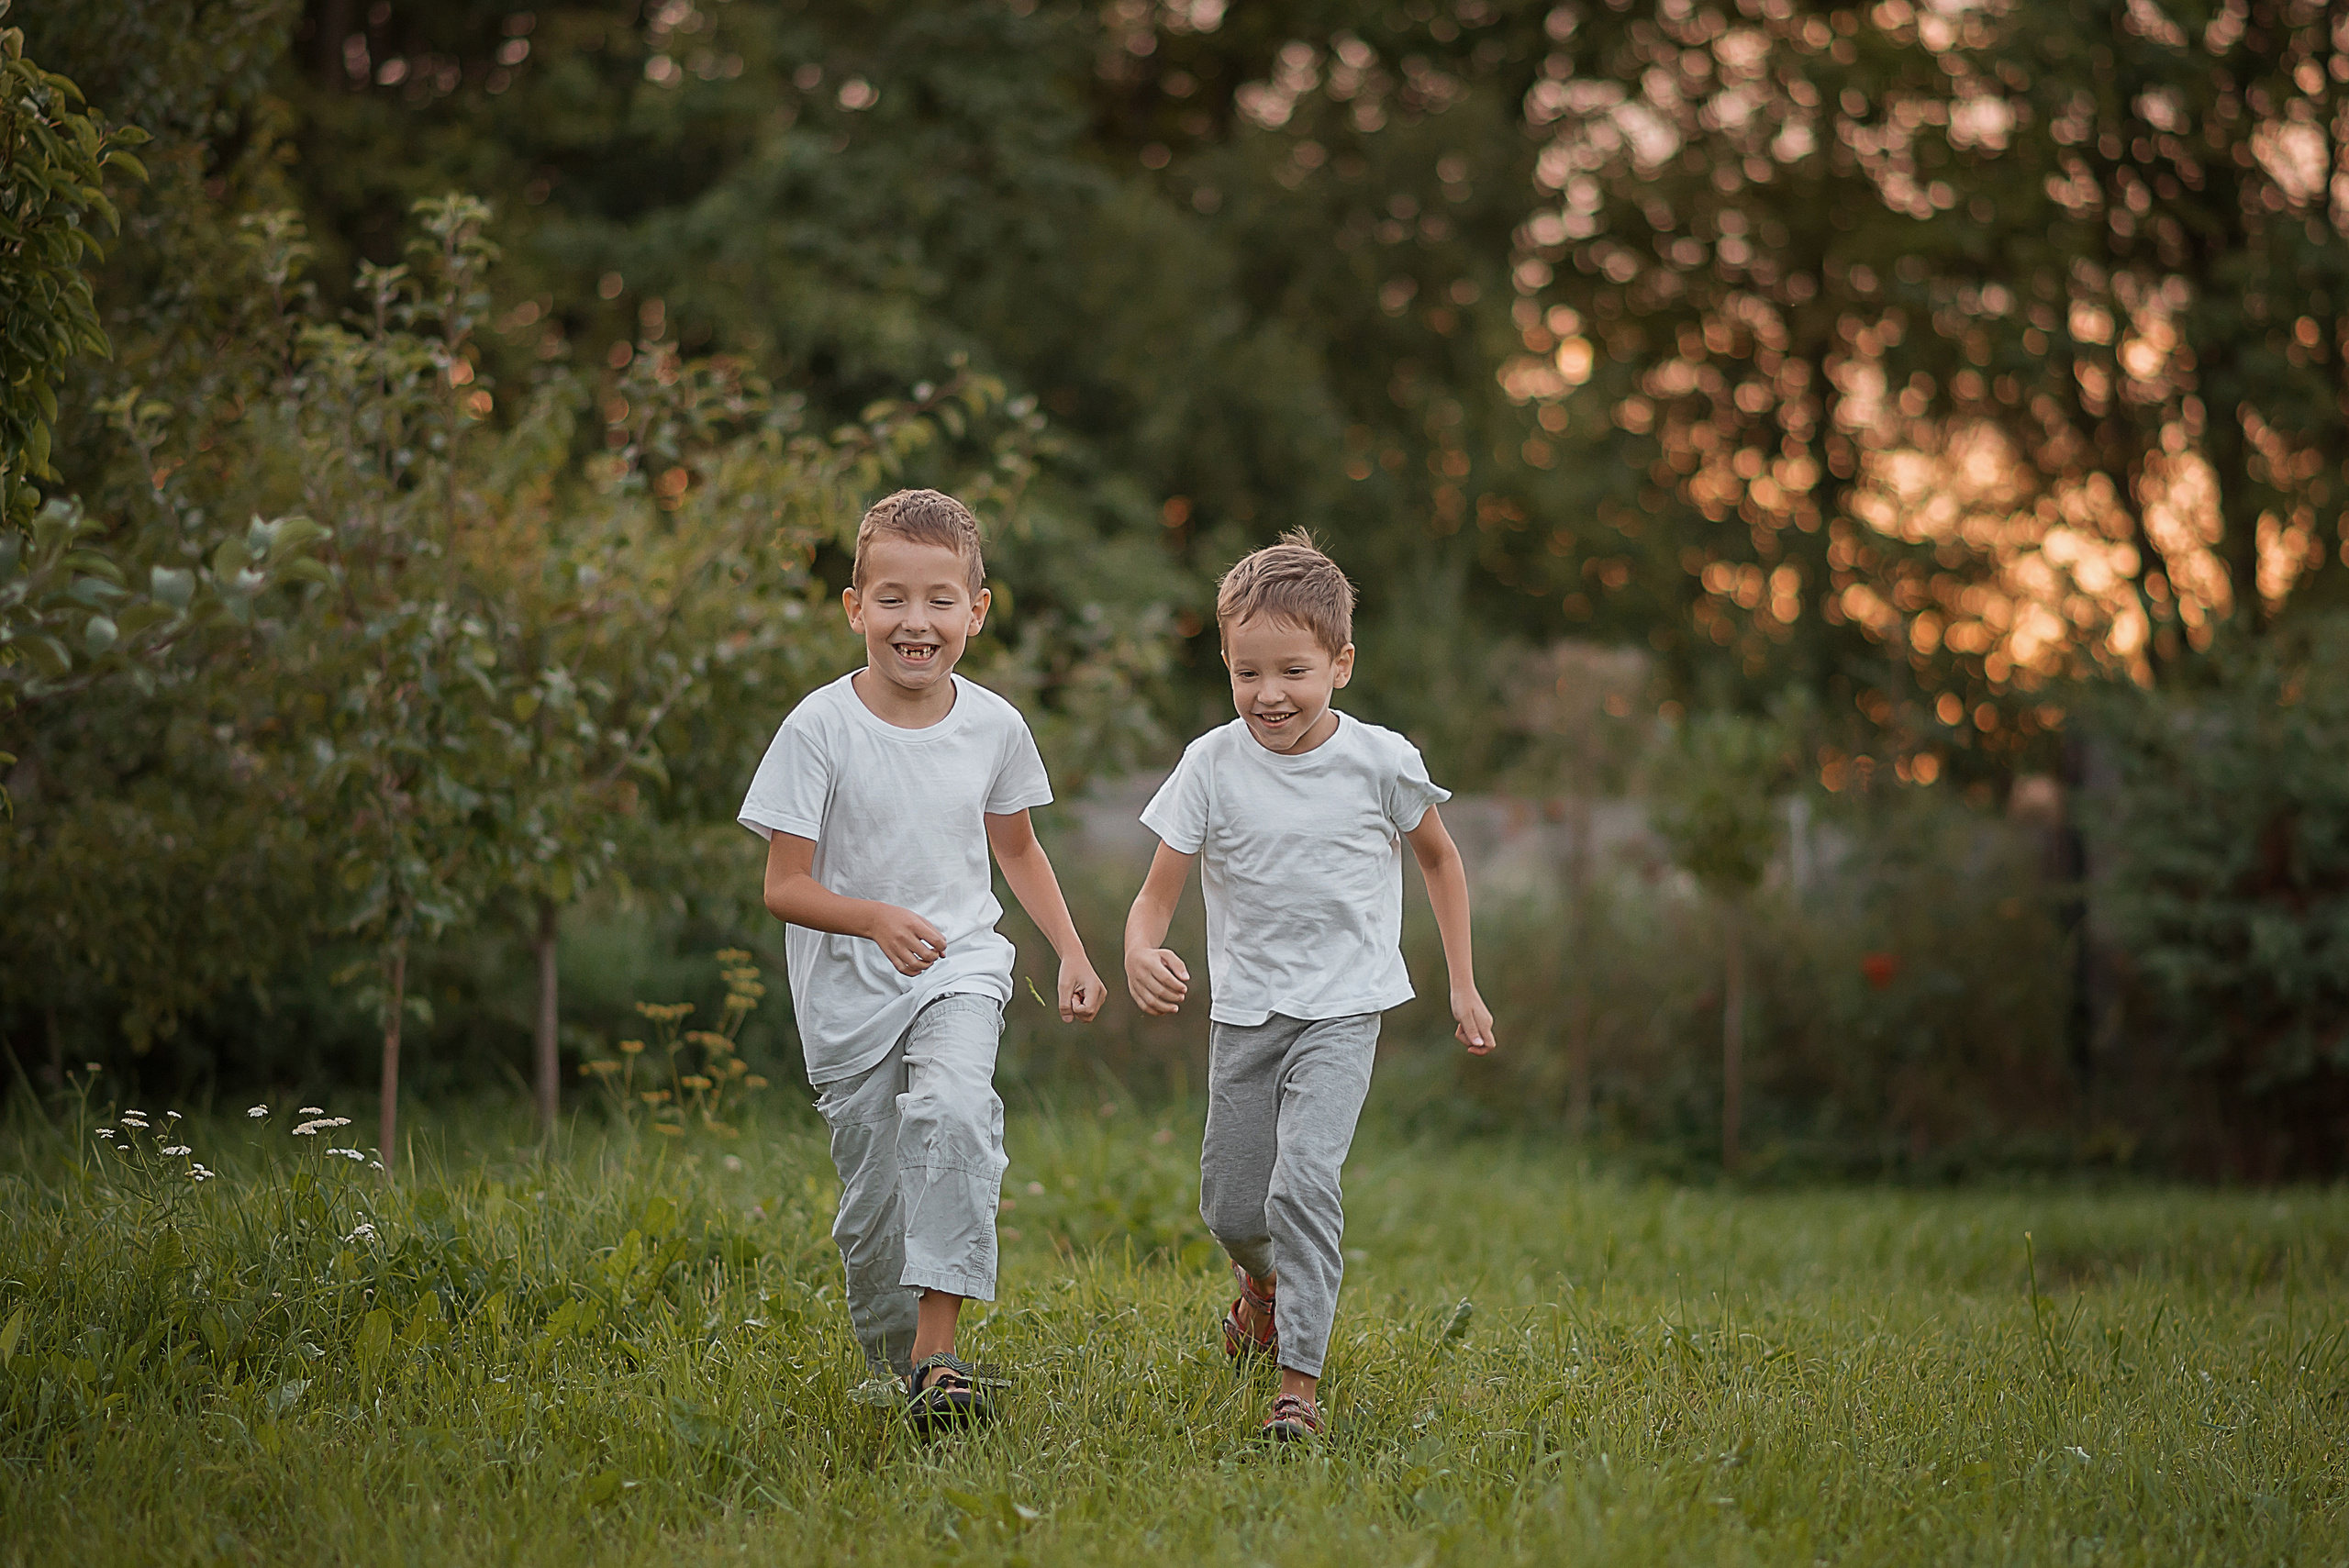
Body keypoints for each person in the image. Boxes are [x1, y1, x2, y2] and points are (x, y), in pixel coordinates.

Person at [740, 487, 1106, 1433]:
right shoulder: (819, 727)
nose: (917, 621)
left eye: (941, 599)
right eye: (892, 598)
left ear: (975, 611)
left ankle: (937, 1355)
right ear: (855, 607)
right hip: (849, 998)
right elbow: (785, 884)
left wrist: (1069, 949)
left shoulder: (992, 726)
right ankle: (894, 1363)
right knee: (873, 1208)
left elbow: (1015, 847)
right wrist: (868, 919)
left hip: (959, 963)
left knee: (950, 1113)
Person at [1123, 529, 1496, 1442]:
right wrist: (1140, 948)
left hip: (1342, 1009)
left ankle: (1298, 1385)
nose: (1268, 694)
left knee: (1302, 1186)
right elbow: (1154, 895)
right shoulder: (1210, 765)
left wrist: (1463, 983)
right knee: (1231, 1207)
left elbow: (1442, 863)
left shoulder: (1381, 760)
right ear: (1225, 664)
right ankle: (1258, 1287)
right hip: (1245, 1018)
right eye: (1247, 673)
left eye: (1292, 669)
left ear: (1341, 663)